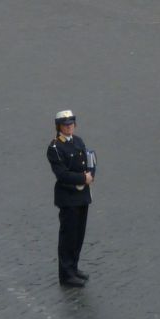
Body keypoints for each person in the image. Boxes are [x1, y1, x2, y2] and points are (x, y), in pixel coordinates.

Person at [46, 109, 94, 287]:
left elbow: (89, 160)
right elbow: (62, 174)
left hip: (82, 196)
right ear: (59, 127)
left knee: (79, 235)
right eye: (65, 125)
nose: (69, 127)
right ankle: (66, 275)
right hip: (68, 197)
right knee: (68, 237)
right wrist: (83, 178)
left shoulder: (78, 141)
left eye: (71, 124)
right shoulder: (55, 148)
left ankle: (74, 267)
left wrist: (91, 175)